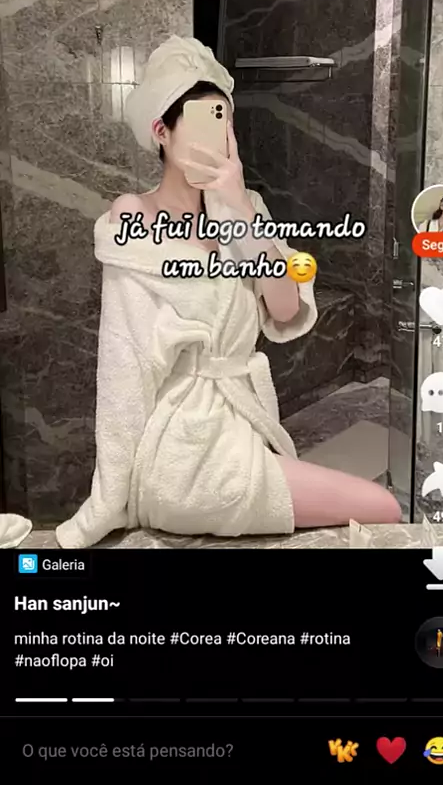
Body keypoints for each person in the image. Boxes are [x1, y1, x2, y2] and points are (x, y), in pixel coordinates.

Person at [56, 36, 400, 548]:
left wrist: (237, 208)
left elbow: (285, 308)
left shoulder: (245, 209)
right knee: (384, 507)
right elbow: (124, 364)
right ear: (161, 132)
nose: (217, 135)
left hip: (241, 424)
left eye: (223, 119)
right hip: (184, 449)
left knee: (379, 509)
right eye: (202, 120)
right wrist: (109, 497)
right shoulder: (134, 213)